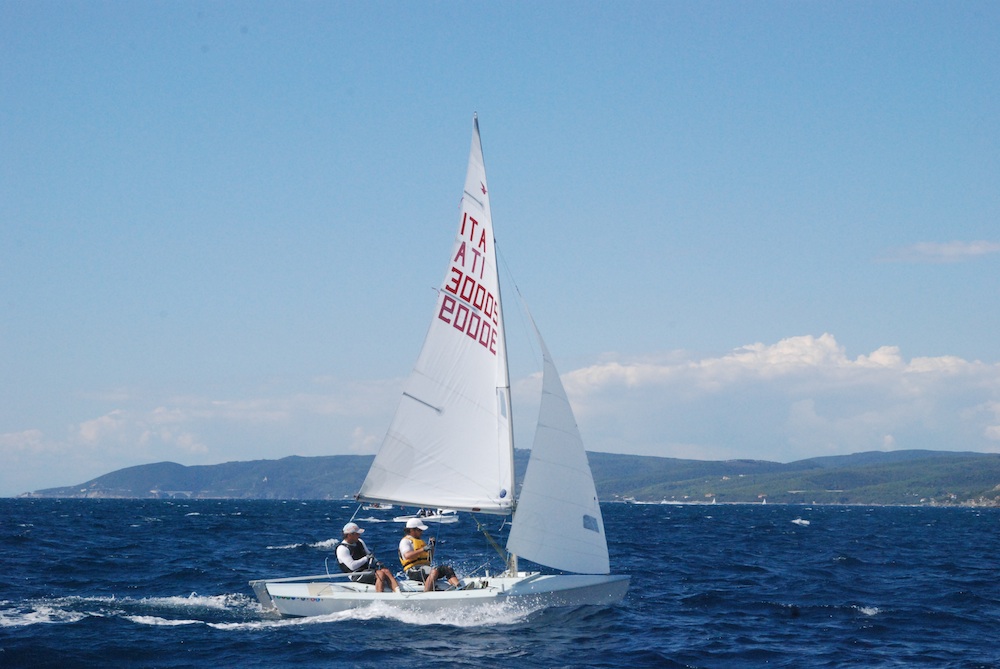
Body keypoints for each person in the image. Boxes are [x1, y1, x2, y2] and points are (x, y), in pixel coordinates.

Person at [398, 518, 460, 591]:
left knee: (447, 569)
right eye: (419, 530)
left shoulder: (420, 542)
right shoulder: (405, 541)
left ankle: (458, 586)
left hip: (424, 568)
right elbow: (407, 556)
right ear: (412, 530)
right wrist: (423, 549)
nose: (422, 532)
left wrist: (432, 547)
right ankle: (427, 592)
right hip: (412, 570)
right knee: (434, 571)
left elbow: (429, 560)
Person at [336, 522, 399, 593]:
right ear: (349, 535)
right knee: (380, 574)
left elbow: (369, 554)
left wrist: (377, 562)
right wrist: (366, 558)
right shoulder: (342, 549)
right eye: (357, 534)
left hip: (366, 571)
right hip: (355, 575)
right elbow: (352, 566)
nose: (359, 535)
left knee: (386, 571)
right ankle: (379, 595)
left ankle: (398, 592)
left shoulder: (360, 542)